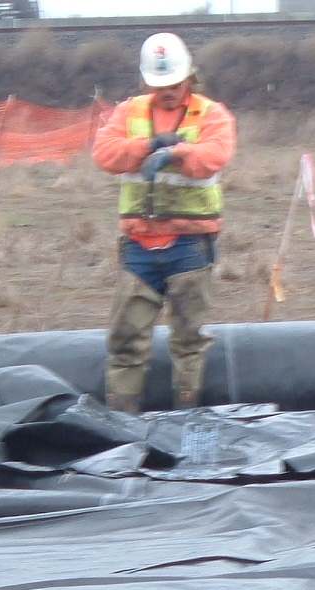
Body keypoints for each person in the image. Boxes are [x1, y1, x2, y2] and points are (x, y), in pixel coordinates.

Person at [92, 33, 237, 414]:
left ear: (189, 75)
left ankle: (188, 428)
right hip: (139, 248)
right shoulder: (129, 112)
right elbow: (104, 153)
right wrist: (146, 147)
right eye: (159, 85)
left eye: (173, 83)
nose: (167, 92)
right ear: (146, 83)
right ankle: (121, 433)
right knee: (125, 342)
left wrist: (175, 153)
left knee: (189, 344)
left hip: (190, 248)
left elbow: (215, 154)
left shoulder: (211, 114)